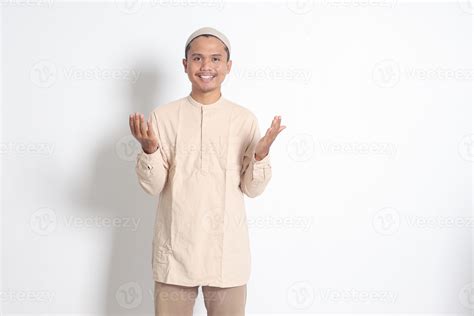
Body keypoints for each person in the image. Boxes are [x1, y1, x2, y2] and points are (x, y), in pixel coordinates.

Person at [129, 27, 286, 316]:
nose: (206, 67)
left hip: (227, 253)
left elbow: (251, 189)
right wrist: (150, 149)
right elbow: (152, 186)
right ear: (185, 64)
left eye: (215, 59)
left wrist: (260, 154)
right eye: (198, 58)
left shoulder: (243, 119)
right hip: (175, 254)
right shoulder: (163, 117)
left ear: (228, 66)